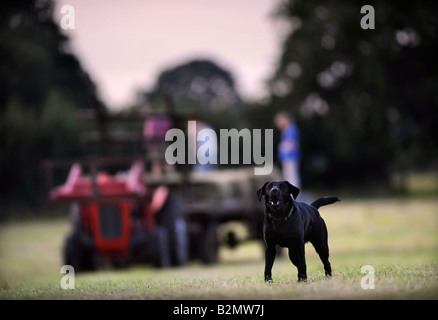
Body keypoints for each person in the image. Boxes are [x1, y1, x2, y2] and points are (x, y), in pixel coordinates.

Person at [274, 112, 301, 189]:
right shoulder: (286, 130)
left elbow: (294, 143)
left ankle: (294, 194)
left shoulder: (291, 129)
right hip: (286, 157)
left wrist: (283, 145)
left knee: (292, 176)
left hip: (291, 156)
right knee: (287, 177)